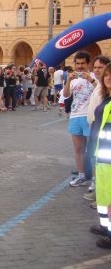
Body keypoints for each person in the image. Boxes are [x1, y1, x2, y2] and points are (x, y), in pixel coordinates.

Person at [63, 51, 96, 187]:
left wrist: (91, 80)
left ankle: (94, 179)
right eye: (78, 63)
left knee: (93, 149)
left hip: (90, 117)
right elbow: (65, 95)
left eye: (83, 63)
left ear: (88, 64)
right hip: (75, 116)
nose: (80, 66)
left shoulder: (95, 76)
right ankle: (81, 176)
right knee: (78, 149)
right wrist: (69, 80)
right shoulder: (73, 78)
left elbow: (102, 91)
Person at [90, 62, 111, 249]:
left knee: (110, 197)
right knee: (104, 195)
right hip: (102, 155)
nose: (108, 77)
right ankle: (106, 227)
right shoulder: (106, 97)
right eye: (107, 75)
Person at [84, 56, 110, 202]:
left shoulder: (105, 87)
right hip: (95, 129)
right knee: (96, 162)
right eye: (95, 67)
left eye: (100, 67)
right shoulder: (100, 86)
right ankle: (99, 191)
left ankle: (101, 194)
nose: (97, 70)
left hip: (103, 132)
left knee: (100, 163)